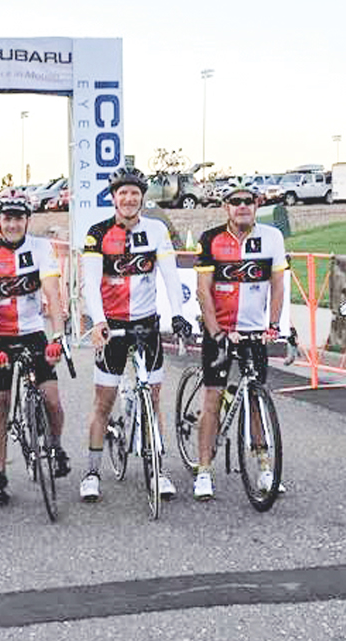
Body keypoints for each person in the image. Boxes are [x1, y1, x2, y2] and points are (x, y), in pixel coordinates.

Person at [79, 167, 192, 502]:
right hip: (112, 326)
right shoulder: (97, 233)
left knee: (154, 398)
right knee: (103, 402)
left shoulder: (155, 230)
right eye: (122, 193)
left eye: (134, 193)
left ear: (142, 197)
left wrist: (178, 315)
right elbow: (91, 284)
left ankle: (157, 471)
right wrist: (99, 322)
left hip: (146, 325)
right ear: (113, 197)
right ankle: (92, 471)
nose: (128, 198)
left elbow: (170, 276)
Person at [0, 197, 70, 506]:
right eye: (7, 218)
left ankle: (55, 445)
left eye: (18, 218)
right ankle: (0, 476)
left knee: (52, 399)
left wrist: (57, 338)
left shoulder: (41, 250)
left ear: (27, 220)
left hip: (33, 335)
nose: (13, 224)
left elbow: (53, 295)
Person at [192, 183, 287, 500]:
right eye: (236, 201)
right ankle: (204, 471)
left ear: (257, 205)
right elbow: (203, 291)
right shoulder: (211, 239)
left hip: (252, 332)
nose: (242, 206)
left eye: (248, 201)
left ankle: (264, 469)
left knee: (256, 402)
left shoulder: (272, 237)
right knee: (213, 399)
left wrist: (272, 326)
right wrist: (216, 332)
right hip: (219, 330)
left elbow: (277, 285)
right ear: (226, 206)